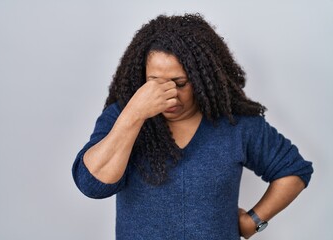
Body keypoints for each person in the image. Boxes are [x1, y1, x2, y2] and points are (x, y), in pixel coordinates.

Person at [72, 13, 313, 239]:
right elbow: (92, 185)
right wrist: (134, 114)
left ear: (201, 79)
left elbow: (292, 170)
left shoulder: (236, 124)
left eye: (180, 83)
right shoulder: (122, 116)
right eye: (154, 83)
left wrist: (253, 222)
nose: (168, 95)